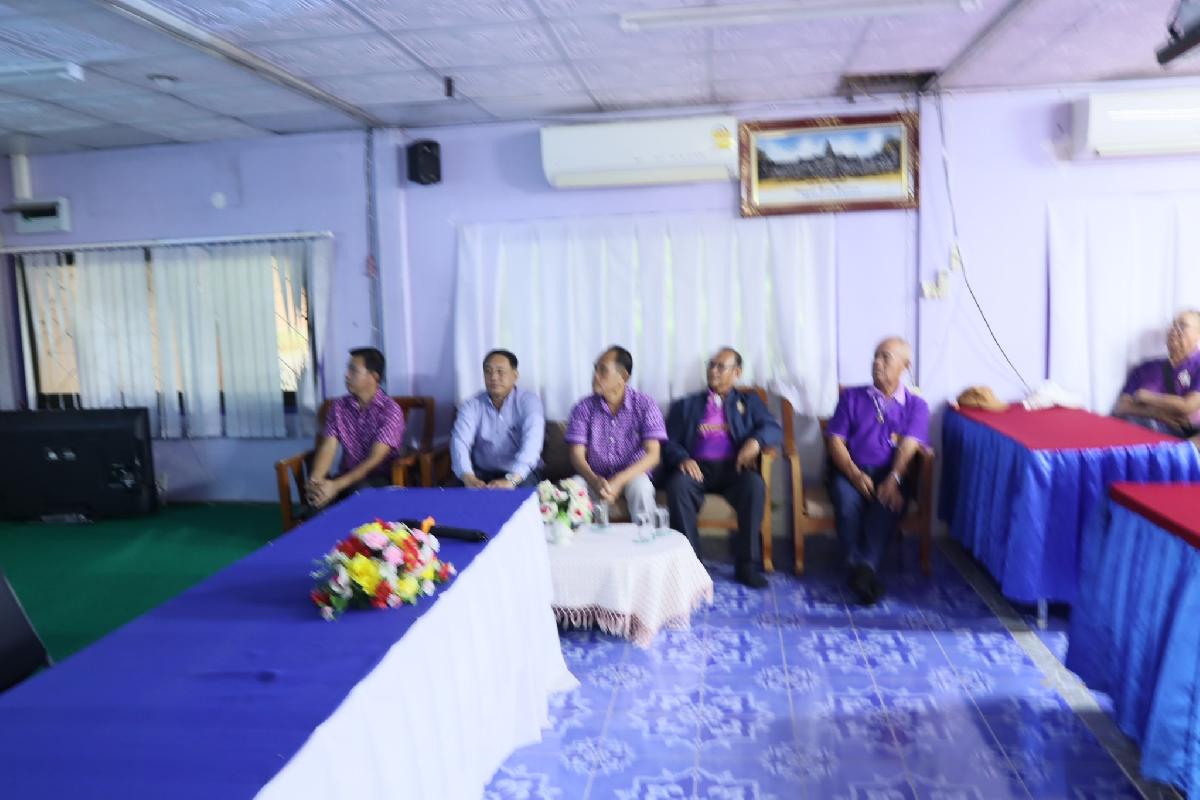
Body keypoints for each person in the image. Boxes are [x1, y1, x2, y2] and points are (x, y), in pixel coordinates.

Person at [662, 348, 782, 589]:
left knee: (755, 485)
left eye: (720, 366)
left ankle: (747, 564)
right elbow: (667, 441)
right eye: (711, 365)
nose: (713, 371)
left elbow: (773, 428)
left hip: (734, 468)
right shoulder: (686, 405)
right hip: (696, 469)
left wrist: (755, 442)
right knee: (678, 486)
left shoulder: (749, 402)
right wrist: (682, 459)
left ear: (737, 373)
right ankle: (691, 565)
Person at [825, 337, 929, 605]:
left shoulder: (916, 405)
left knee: (887, 503)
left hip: (891, 473)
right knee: (847, 503)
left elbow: (909, 446)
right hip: (851, 470)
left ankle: (861, 569)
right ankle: (864, 570)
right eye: (875, 356)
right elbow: (835, 440)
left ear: (905, 366)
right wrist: (853, 473)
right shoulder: (851, 397)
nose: (877, 363)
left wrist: (894, 478)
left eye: (885, 357)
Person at [566, 346, 666, 521]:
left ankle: (646, 535)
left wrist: (618, 481)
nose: (595, 376)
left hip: (632, 476)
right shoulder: (583, 407)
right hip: (594, 477)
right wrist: (595, 481)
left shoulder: (645, 405)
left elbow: (653, 455)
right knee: (574, 486)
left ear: (623, 377)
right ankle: (576, 538)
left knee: (641, 487)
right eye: (595, 369)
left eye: (603, 370)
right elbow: (577, 454)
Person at [306, 347, 406, 509]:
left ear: (373, 377)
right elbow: (328, 447)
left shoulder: (390, 411)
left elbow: (374, 460)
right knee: (317, 504)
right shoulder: (339, 407)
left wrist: (336, 486)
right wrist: (316, 482)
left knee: (357, 495)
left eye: (353, 370)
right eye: (348, 369)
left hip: (378, 478)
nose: (346, 375)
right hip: (345, 477)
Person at [450, 349, 545, 489]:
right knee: (454, 493)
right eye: (488, 371)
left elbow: (532, 445)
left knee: (523, 495)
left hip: (521, 473)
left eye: (500, 371)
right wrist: (467, 476)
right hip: (482, 472)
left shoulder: (529, 402)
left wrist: (512, 480)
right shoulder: (472, 404)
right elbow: (460, 441)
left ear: (515, 375)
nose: (493, 377)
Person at [1113, 310, 1200, 437]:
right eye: (1173, 325)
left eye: (1182, 326)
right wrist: (1157, 413)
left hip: (1185, 439)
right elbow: (1121, 407)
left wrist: (1147, 397)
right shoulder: (1146, 367)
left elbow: (1188, 406)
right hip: (1144, 431)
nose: (1174, 329)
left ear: (1198, 334)